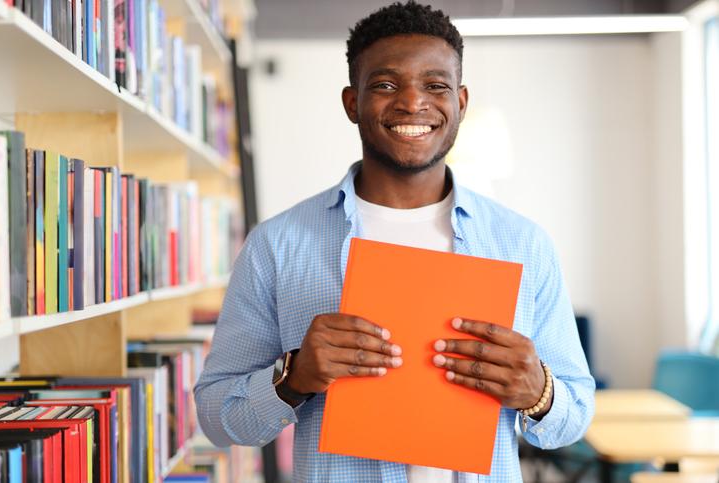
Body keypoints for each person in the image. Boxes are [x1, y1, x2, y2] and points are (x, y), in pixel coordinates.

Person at [194, 2, 595, 481]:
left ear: (460, 103)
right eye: (385, 84)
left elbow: (574, 415)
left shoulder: (523, 244)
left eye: (435, 85)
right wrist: (294, 377)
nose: (411, 102)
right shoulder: (277, 246)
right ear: (351, 102)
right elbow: (217, 417)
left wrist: (539, 392)